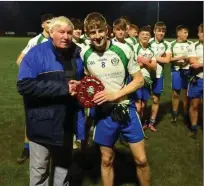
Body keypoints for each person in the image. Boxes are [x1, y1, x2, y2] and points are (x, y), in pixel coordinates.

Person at [80, 12, 150, 186]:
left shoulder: (124, 49)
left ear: (107, 30)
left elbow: (139, 80)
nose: (97, 36)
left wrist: (115, 95)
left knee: (141, 159)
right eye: (92, 33)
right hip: (104, 114)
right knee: (106, 160)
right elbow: (89, 81)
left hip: (126, 108)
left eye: (100, 31)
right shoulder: (85, 54)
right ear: (87, 35)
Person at [17, 16, 85, 186]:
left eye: (69, 32)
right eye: (61, 32)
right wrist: (63, 88)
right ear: (51, 32)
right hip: (41, 124)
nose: (66, 36)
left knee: (62, 170)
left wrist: (79, 85)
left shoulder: (77, 54)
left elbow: (80, 83)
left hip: (66, 124)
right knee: (40, 171)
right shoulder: (36, 53)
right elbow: (24, 86)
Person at [16, 13, 54, 164]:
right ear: (43, 25)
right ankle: (27, 148)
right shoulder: (35, 41)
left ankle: (52, 147)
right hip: (38, 86)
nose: (51, 25)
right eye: (48, 22)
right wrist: (34, 76)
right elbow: (20, 60)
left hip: (53, 85)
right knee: (32, 116)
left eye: (53, 22)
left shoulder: (56, 39)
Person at [145, 22, 171, 131]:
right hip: (146, 74)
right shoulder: (148, 41)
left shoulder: (167, 44)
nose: (161, 33)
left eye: (163, 31)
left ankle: (152, 122)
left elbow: (168, 60)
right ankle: (142, 121)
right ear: (154, 31)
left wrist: (153, 57)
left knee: (156, 100)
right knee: (144, 100)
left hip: (159, 75)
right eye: (159, 30)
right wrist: (159, 58)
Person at [133, 26, 157, 126]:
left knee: (143, 105)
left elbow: (154, 67)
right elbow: (132, 65)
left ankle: (140, 124)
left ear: (150, 36)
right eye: (142, 34)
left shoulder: (151, 50)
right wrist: (147, 62)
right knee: (137, 105)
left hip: (147, 79)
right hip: (136, 79)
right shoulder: (134, 48)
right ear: (139, 36)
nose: (145, 36)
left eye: (147, 35)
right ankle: (135, 126)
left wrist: (142, 61)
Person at [170, 25, 193, 123]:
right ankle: (174, 114)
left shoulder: (191, 44)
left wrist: (186, 60)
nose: (187, 34)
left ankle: (186, 114)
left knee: (185, 93)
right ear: (178, 33)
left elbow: (193, 57)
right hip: (175, 70)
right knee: (176, 93)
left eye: (187, 33)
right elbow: (169, 58)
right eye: (185, 32)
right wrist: (178, 60)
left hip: (187, 70)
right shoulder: (171, 44)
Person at [187, 23, 203, 138]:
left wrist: (201, 63)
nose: (203, 34)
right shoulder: (193, 46)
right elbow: (193, 62)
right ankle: (194, 127)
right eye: (201, 31)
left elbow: (198, 64)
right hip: (197, 79)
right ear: (198, 33)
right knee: (194, 104)